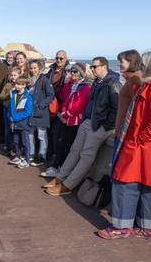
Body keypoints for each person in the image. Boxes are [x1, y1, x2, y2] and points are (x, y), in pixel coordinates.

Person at [98, 51, 151, 242]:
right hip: (150, 146)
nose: (140, 67)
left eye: (143, 65)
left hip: (143, 145)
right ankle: (148, 229)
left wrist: (141, 139)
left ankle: (121, 227)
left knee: (123, 182)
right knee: (147, 186)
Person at [44, 57, 122, 195]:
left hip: (99, 125)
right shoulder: (97, 82)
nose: (92, 69)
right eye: (91, 67)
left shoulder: (113, 84)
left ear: (104, 67)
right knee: (74, 150)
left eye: (95, 67)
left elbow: (117, 108)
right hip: (88, 121)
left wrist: (105, 126)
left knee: (86, 156)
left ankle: (68, 185)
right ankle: (60, 178)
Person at [42, 62, 91, 177]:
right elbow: (65, 100)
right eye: (71, 71)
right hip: (67, 119)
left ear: (80, 73)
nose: (71, 73)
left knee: (69, 146)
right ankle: (56, 167)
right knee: (61, 143)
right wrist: (64, 114)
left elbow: (79, 106)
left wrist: (65, 115)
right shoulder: (73, 85)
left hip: (75, 121)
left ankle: (62, 169)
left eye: (75, 71)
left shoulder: (85, 87)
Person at [27, 60, 55, 167]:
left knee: (41, 135)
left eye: (35, 68)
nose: (33, 70)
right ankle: (31, 153)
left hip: (41, 112)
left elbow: (51, 95)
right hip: (31, 112)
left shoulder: (45, 80)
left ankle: (41, 156)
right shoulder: (30, 80)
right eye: (31, 68)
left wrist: (41, 105)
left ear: (40, 67)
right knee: (30, 134)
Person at [44, 50, 70, 161]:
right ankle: (49, 153)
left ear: (66, 58)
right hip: (50, 103)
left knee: (57, 132)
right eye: (57, 58)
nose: (59, 60)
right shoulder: (51, 70)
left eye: (61, 58)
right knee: (49, 130)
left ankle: (55, 155)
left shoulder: (68, 71)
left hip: (61, 104)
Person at [7, 75, 33, 169]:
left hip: (23, 123)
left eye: (19, 84)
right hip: (15, 123)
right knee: (17, 141)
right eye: (16, 83)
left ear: (24, 85)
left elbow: (27, 111)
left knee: (25, 142)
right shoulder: (13, 94)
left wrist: (15, 118)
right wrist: (9, 116)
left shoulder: (28, 96)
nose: (16, 85)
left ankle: (26, 160)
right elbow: (10, 107)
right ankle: (17, 156)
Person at [115, 50, 142, 137]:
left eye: (121, 61)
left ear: (131, 62)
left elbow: (137, 107)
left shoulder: (134, 79)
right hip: (123, 128)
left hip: (125, 131)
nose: (119, 64)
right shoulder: (130, 78)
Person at [0, 66, 22, 156]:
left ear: (19, 75)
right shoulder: (8, 85)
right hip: (7, 109)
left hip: (18, 110)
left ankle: (19, 147)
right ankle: (7, 147)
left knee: (18, 129)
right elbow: (1, 96)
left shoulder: (22, 85)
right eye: (11, 75)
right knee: (7, 129)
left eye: (15, 75)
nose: (13, 77)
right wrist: (9, 94)